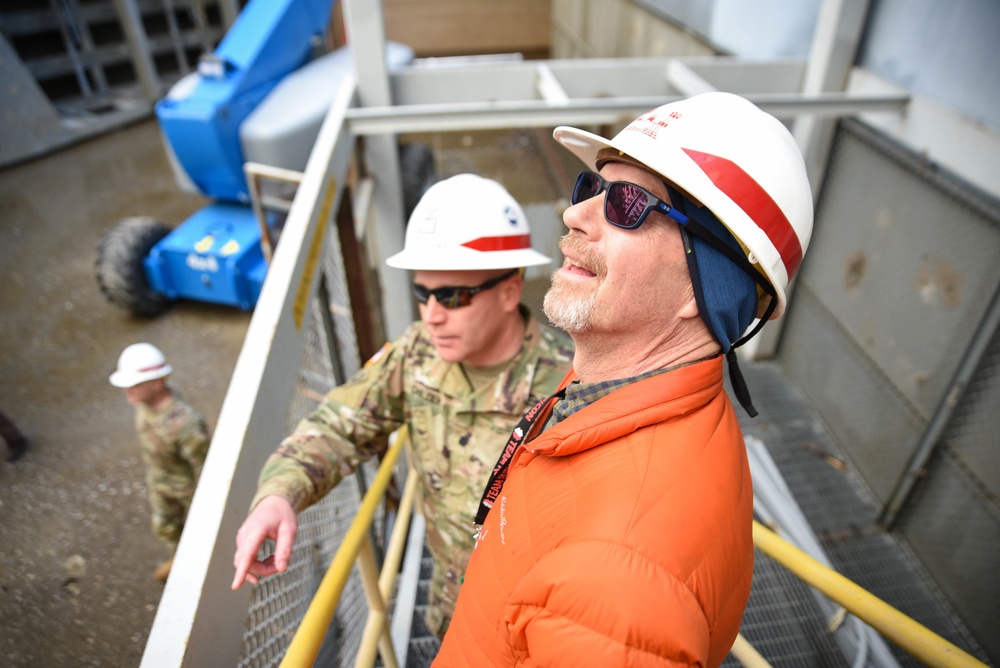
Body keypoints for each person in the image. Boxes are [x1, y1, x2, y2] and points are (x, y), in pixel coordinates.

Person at [435, 92, 814, 666]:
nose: (573, 214)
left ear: (703, 288)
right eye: (592, 189)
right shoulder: (623, 394)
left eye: (630, 203)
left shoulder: (618, 587)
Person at [231, 174, 575, 639]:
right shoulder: (416, 355)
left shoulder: (570, 386)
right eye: (422, 293)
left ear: (510, 290)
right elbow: (341, 424)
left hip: (531, 629)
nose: (431, 315)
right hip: (451, 612)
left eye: (453, 296)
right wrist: (279, 492)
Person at [110, 342, 211, 582]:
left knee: (204, 534)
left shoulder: (185, 425)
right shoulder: (145, 404)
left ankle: (203, 567)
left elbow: (204, 468)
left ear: (157, 384)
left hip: (187, 489)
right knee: (165, 526)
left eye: (134, 385)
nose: (127, 392)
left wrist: (205, 504)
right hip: (160, 481)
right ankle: (181, 559)